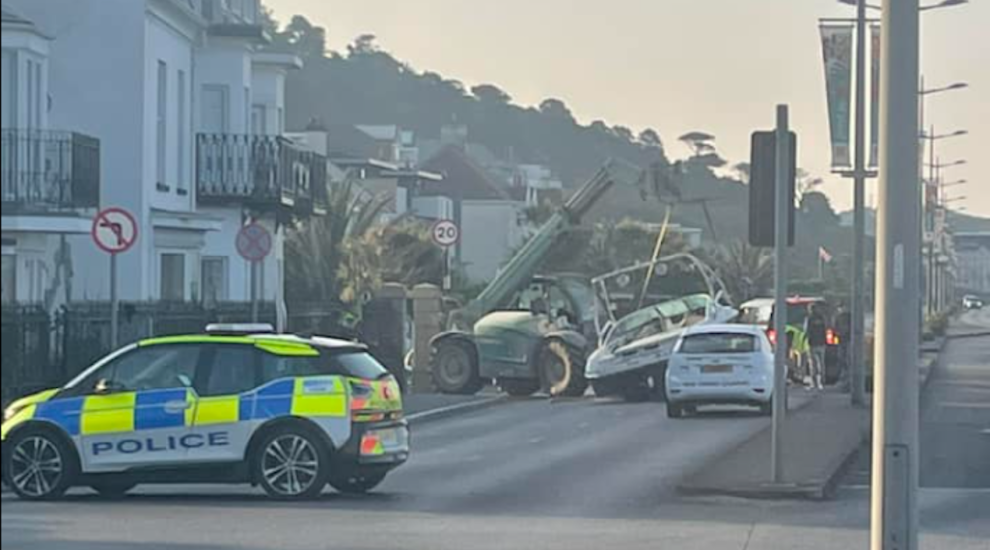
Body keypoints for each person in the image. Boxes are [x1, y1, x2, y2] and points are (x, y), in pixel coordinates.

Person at [804, 304, 828, 390]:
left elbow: (807, 331)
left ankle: (814, 383)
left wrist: (805, 340)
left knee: (813, 364)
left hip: (812, 344)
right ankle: (822, 382)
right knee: (822, 363)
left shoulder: (809, 319)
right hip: (822, 343)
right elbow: (825, 329)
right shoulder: (822, 318)